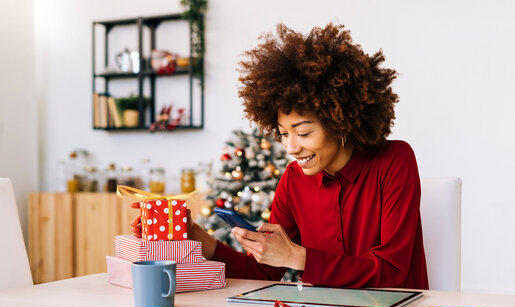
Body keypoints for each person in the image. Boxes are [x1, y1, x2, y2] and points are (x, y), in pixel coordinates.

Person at [132, 23, 429, 290]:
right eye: (284, 133)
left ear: (340, 123)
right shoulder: (294, 180)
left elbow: (391, 271)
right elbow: (261, 273)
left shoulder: (394, 161)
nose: (290, 148)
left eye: (302, 132)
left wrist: (297, 256)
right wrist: (199, 239)